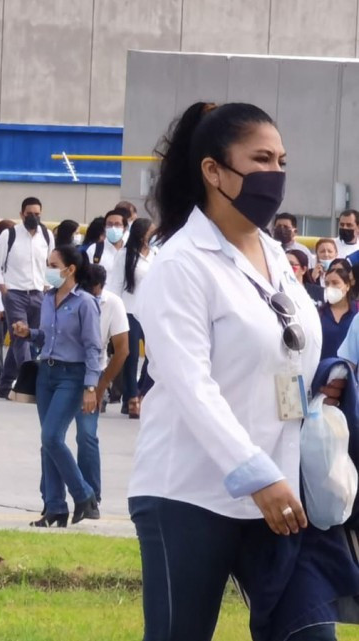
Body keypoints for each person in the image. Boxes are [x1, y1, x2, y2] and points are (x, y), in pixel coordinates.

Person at [130, 102, 338, 641]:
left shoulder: (277, 257)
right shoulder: (181, 264)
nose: (277, 173)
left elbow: (290, 354)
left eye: (282, 160)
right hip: (191, 492)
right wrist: (256, 475)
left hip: (281, 492)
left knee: (310, 633)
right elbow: (190, 385)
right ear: (213, 170)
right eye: (262, 158)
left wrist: (327, 381)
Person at [11, 245, 101, 528]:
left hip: (71, 377)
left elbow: (93, 347)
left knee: (52, 437)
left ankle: (85, 495)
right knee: (47, 442)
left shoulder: (85, 302)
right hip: (45, 375)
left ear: (70, 269)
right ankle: (54, 507)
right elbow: (47, 338)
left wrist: (90, 387)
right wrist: (30, 334)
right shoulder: (49, 299)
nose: (48, 269)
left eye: (53, 264)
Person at [0, 196, 54, 399]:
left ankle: (4, 386)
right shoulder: (9, 235)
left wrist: (48, 287)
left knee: (29, 337)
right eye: (30, 214)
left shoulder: (46, 235)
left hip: (39, 293)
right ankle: (29, 384)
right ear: (21, 214)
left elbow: (51, 263)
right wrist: (4, 290)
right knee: (20, 337)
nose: (34, 217)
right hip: (14, 293)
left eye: (37, 214)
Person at [84, 264, 129, 496]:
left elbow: (122, 350)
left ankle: (91, 495)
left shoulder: (112, 303)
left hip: (94, 372)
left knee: (87, 436)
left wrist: (101, 386)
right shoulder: (71, 297)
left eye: (95, 292)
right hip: (65, 371)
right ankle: (56, 499)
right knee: (51, 439)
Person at [108, 217, 155, 419]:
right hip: (128, 311)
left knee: (155, 355)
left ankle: (142, 391)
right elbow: (115, 286)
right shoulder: (125, 256)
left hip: (151, 312)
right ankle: (131, 399)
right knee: (130, 356)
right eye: (150, 232)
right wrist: (113, 316)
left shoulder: (157, 254)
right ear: (142, 234)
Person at [319, 265, 356, 360]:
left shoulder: (356, 313)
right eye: (327, 284)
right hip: (324, 370)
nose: (330, 287)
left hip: (352, 372)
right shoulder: (318, 314)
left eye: (335, 283)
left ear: (347, 286)